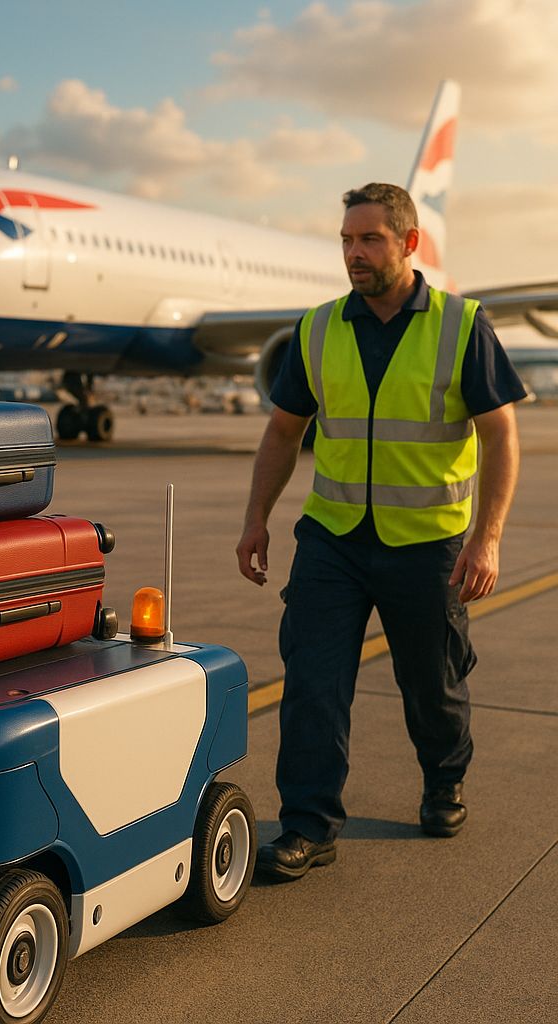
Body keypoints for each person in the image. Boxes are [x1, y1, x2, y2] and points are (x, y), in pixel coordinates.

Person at [235, 182, 524, 882]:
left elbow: (500, 434)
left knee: (433, 684)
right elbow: (284, 431)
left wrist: (486, 538)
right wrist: (256, 519)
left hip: (427, 544)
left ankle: (444, 781)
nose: (354, 253)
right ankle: (308, 825)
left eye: (369, 239)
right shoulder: (318, 327)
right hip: (333, 539)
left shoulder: (461, 325)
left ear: (409, 243)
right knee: (313, 682)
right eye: (346, 240)